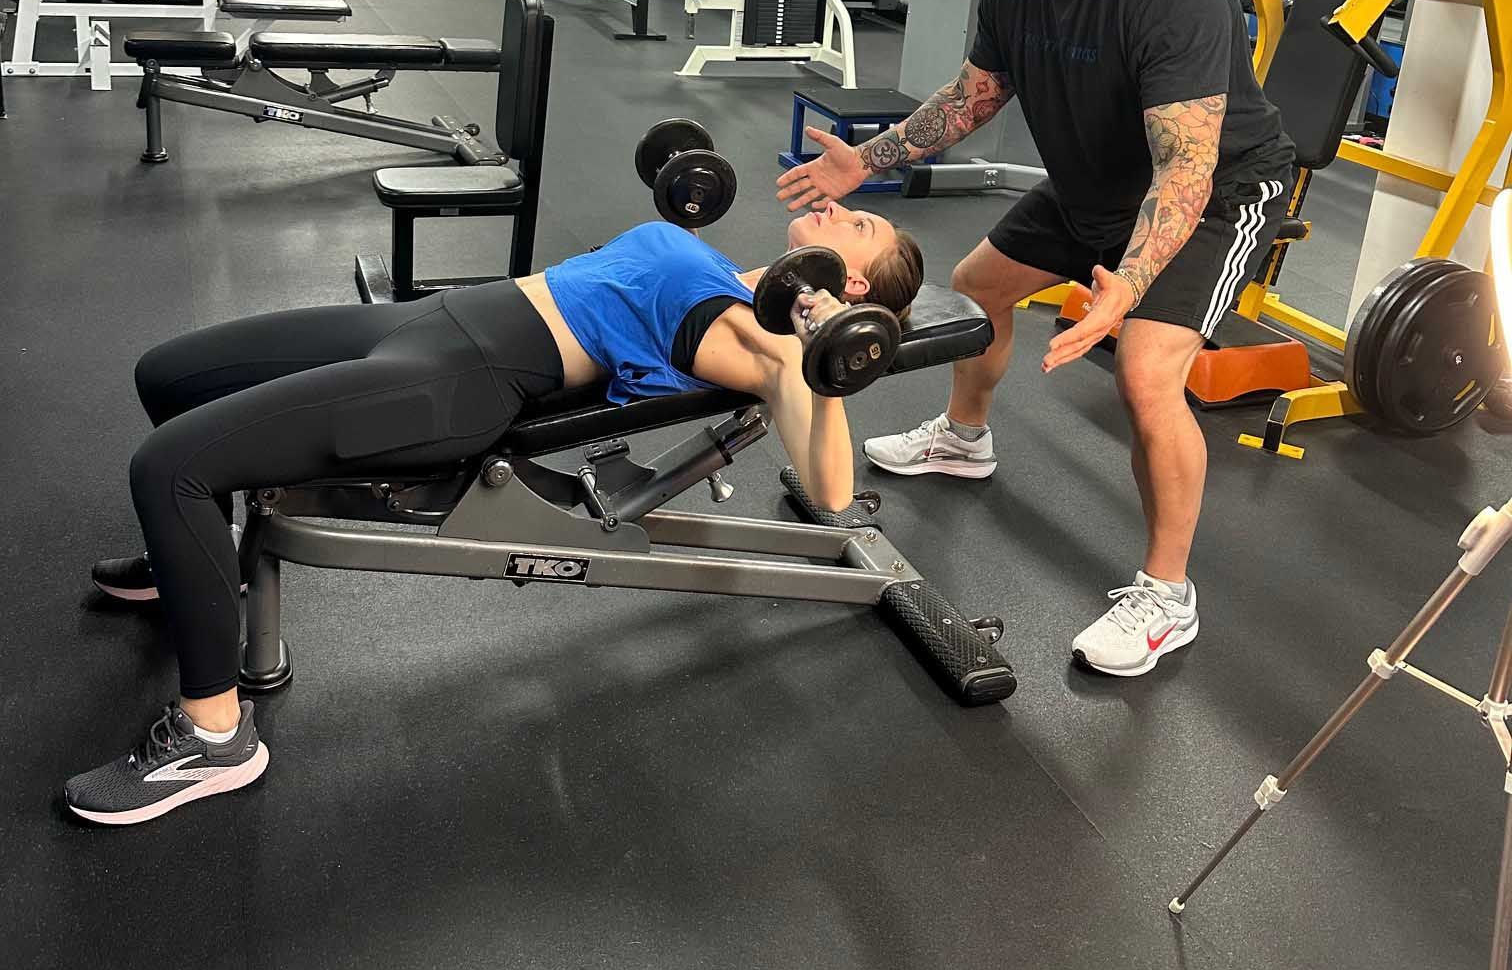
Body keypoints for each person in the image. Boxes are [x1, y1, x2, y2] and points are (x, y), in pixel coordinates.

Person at [68, 206, 924, 828]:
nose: (837, 207)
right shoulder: (735, 277)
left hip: (458, 381)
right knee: (168, 374)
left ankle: (213, 736)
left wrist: (833, 347)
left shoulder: (768, 341)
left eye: (859, 224)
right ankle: (195, 570)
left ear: (851, 285)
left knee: (168, 467)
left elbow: (834, 492)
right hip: (427, 322)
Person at [778, 0, 1295, 680]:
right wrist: (865, 162)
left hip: (1215, 193)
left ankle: (1168, 595)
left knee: (1145, 370)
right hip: (1097, 181)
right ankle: (965, 436)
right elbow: (973, 97)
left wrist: (1127, 290)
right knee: (979, 285)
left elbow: (1184, 173)